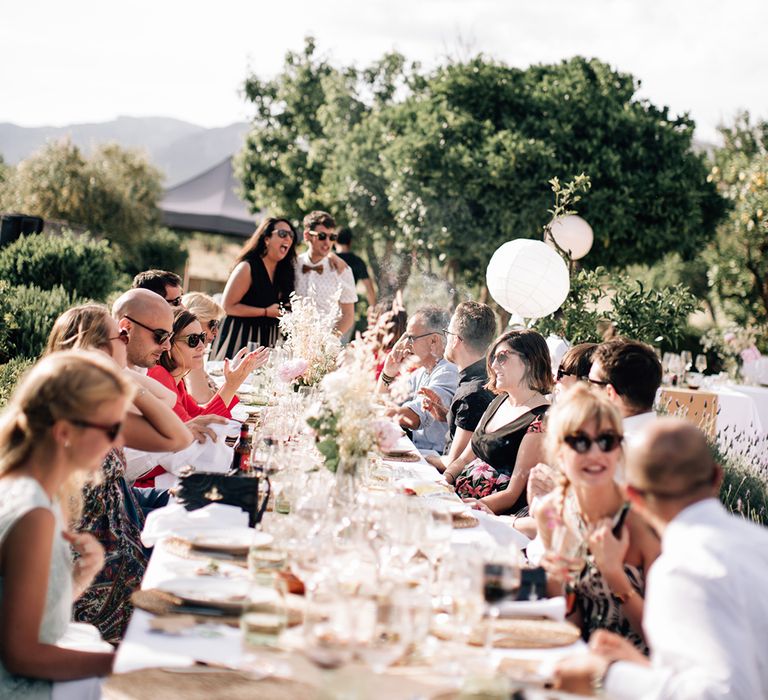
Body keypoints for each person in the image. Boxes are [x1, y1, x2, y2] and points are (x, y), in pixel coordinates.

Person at [553, 418, 768, 699]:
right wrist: (640, 666)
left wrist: (608, 674)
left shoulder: (681, 568)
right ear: (717, 477)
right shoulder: (759, 541)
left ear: (634, 497)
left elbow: (724, 693)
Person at [45, 304, 192, 643]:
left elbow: (177, 436)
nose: (126, 341)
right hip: (97, 591)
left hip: (130, 563)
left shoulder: (102, 410)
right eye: (122, 335)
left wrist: (124, 378)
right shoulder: (65, 418)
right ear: (98, 349)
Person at [0, 351, 133, 698]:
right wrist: (129, 664)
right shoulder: (34, 513)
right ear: (64, 432)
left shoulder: (36, 491)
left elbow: (29, 618)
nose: (118, 442)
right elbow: (22, 655)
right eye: (112, 429)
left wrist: (76, 579)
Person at [534, 383, 660, 652]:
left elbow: (662, 638)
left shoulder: (641, 521)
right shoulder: (551, 515)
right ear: (559, 451)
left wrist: (614, 574)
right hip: (585, 659)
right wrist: (555, 582)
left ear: (618, 448)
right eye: (580, 441)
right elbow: (573, 624)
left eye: (606, 441)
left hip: (642, 672)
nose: (595, 454)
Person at [443, 329, 551, 515]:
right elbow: (464, 458)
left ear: (530, 361)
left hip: (485, 515)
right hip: (457, 501)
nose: (493, 365)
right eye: (493, 357)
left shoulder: (540, 419)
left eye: (502, 358)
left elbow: (512, 494)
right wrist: (444, 481)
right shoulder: (498, 401)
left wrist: (466, 509)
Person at [113, 289, 225, 445]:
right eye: (160, 336)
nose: (167, 345)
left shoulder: (138, 371)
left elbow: (199, 420)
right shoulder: (154, 373)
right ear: (126, 327)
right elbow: (178, 439)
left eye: (202, 338)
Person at [149, 308, 269, 423]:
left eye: (202, 337)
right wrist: (232, 384)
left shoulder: (177, 381)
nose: (202, 346)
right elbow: (191, 431)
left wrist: (233, 382)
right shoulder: (159, 375)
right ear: (169, 343)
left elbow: (201, 416)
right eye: (193, 340)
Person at [423, 302, 497, 470]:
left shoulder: (472, 394)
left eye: (447, 333)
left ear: (455, 339)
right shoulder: (483, 379)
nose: (445, 339)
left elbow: (453, 463)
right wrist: (446, 415)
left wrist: (419, 458)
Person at [377, 307, 458, 454]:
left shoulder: (448, 371)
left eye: (411, 338)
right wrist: (388, 372)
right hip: (421, 452)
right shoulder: (423, 372)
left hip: (436, 460)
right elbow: (384, 401)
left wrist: (374, 414)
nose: (405, 345)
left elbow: (415, 417)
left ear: (434, 340)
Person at [211, 218, 297, 356]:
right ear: (267, 238)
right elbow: (227, 306)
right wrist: (265, 312)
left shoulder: (286, 272)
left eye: (291, 235)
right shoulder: (247, 267)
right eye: (282, 234)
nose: (288, 238)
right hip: (239, 339)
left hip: (267, 342)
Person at [588, 339, 662, 447]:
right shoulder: (670, 443)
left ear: (610, 393)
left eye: (591, 383)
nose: (588, 391)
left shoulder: (608, 450)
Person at [295, 211, 357, 337]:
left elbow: (348, 315)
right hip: (291, 343)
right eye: (322, 236)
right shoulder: (292, 265)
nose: (327, 242)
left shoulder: (342, 270)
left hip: (324, 347)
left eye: (332, 237)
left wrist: (328, 341)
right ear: (307, 236)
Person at [180, 292, 226, 403]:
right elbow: (203, 399)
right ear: (196, 319)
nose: (216, 332)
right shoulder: (190, 352)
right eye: (213, 324)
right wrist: (233, 383)